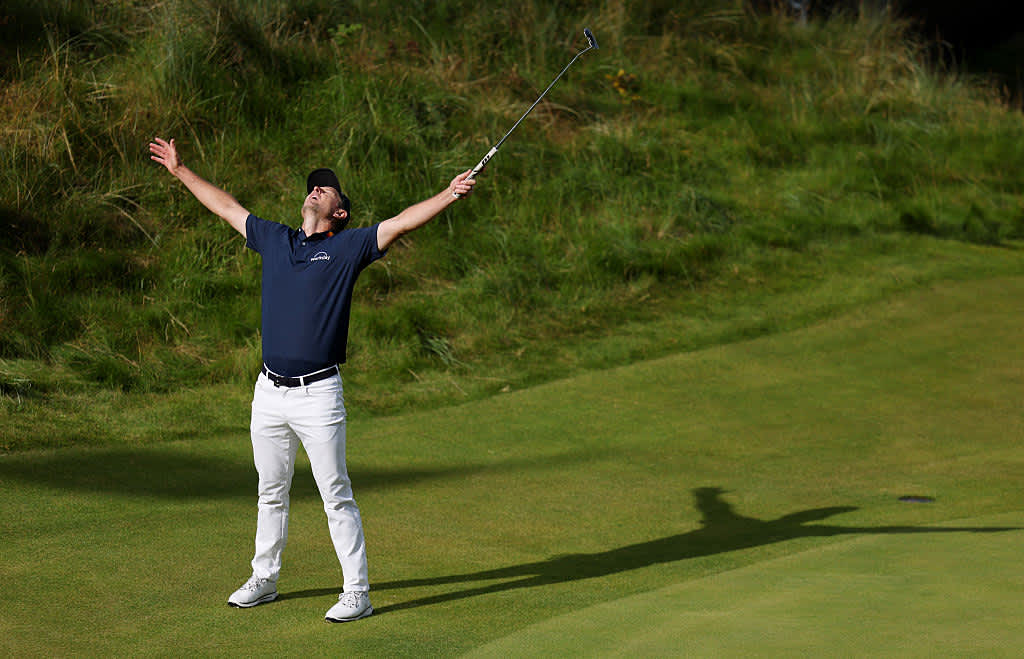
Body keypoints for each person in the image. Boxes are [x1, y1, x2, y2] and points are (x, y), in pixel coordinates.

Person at [148, 136, 475, 622]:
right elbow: (226, 207)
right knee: (270, 490)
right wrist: (180, 170)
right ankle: (265, 578)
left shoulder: (349, 247)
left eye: (327, 190)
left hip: (319, 393)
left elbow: (404, 221)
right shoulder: (276, 240)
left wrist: (449, 193)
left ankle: (357, 591)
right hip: (268, 391)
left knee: (335, 493)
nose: (318, 190)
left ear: (340, 212)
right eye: (313, 187)